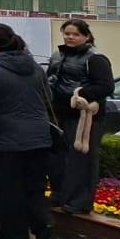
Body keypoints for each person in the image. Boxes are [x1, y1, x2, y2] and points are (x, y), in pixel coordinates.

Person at [0, 24, 55, 239]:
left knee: (9, 187)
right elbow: (48, 98)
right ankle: (41, 221)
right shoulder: (35, 68)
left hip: (4, 138)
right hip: (39, 136)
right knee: (34, 183)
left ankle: (13, 234)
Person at [48, 19, 114, 215]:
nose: (70, 37)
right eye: (67, 33)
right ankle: (59, 194)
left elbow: (106, 86)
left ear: (86, 36)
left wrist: (81, 95)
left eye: (75, 34)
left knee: (81, 160)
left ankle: (79, 201)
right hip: (57, 114)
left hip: (84, 118)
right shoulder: (57, 56)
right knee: (57, 158)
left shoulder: (95, 59)